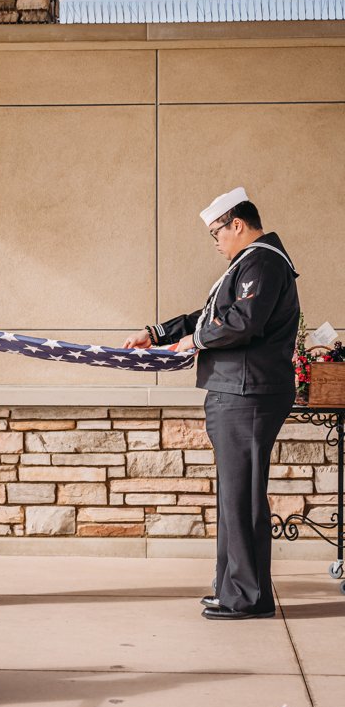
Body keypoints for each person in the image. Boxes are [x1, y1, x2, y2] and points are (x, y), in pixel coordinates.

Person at [124, 187, 300, 620]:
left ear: (237, 224)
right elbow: (207, 315)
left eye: (217, 232)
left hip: (248, 393)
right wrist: (158, 333)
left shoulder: (262, 262)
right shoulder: (248, 264)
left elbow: (242, 322)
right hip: (238, 390)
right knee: (234, 496)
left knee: (241, 498)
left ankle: (247, 596)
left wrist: (195, 340)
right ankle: (232, 588)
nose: (216, 241)